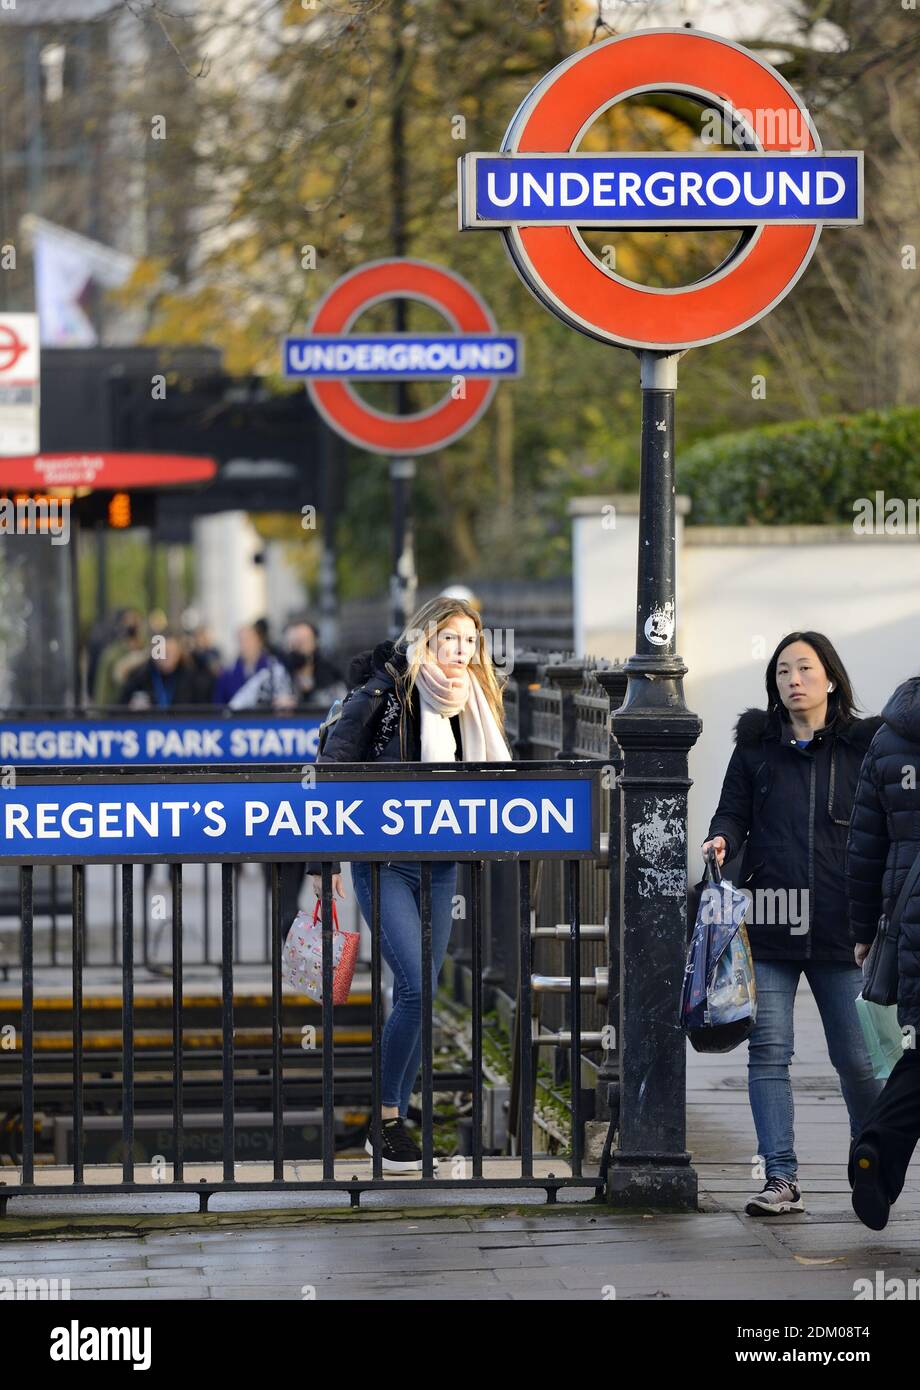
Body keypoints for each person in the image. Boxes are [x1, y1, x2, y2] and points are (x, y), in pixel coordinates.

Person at [304, 595, 512, 1172]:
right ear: (426, 638)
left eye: (471, 641)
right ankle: (388, 1119)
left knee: (420, 997)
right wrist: (324, 864)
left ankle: (392, 1122)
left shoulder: (474, 701)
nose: (462, 652)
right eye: (451, 639)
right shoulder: (389, 690)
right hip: (382, 859)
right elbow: (334, 767)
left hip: (440, 863)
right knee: (418, 987)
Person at [702, 631, 883, 1216]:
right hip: (771, 923)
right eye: (783, 671)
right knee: (769, 1053)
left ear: (830, 678)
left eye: (804, 669)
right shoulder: (756, 749)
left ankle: (869, 1157)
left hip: (843, 926)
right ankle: (780, 1177)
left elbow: (883, 828)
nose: (793, 680)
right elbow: (732, 807)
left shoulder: (863, 748)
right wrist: (723, 836)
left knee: (857, 1059)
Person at [845, 674, 920, 1229]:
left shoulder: (889, 736)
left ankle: (877, 1148)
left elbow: (864, 846)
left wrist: (865, 931)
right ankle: (877, 1146)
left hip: (907, 921)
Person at [228, 617, 345, 711]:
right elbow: (236, 705)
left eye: (302, 642)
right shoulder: (272, 675)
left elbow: (344, 708)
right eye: (292, 643)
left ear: (315, 644)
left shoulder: (330, 676)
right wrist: (270, 706)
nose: (297, 648)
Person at [118, 630, 215, 707]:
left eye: (171, 652)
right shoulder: (139, 677)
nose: (166, 657)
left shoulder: (193, 676)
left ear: (179, 652)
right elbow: (119, 707)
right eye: (162, 652)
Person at [92, 609, 147, 706]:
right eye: (128, 621)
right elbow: (102, 692)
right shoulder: (111, 655)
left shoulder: (148, 653)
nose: (132, 625)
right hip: (119, 712)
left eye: (135, 621)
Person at [213, 623, 272, 704]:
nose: (245, 645)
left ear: (258, 641)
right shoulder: (228, 674)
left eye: (249, 640)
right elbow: (219, 704)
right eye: (241, 641)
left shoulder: (273, 670)